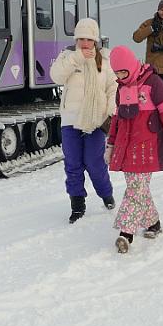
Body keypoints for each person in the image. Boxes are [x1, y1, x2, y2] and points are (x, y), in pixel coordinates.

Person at [105, 45, 163, 254]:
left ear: (131, 65)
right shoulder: (121, 89)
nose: (121, 76)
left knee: (135, 190)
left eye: (123, 71)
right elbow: (117, 120)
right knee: (140, 189)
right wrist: (110, 144)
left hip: (147, 147)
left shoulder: (153, 83)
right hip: (127, 148)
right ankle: (154, 223)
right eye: (117, 73)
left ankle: (126, 233)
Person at [50, 18, 117, 223]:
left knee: (95, 163)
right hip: (70, 120)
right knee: (73, 165)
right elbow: (56, 77)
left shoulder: (104, 61)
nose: (85, 43)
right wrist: (76, 59)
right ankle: (77, 204)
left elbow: (113, 87)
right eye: (81, 39)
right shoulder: (68, 57)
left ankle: (106, 194)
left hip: (95, 121)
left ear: (95, 40)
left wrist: (110, 109)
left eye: (89, 39)